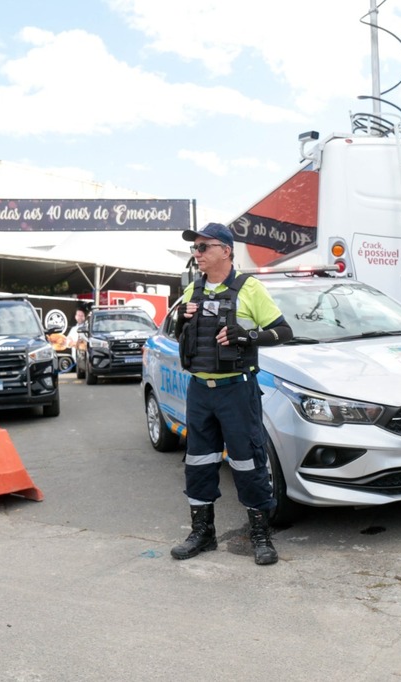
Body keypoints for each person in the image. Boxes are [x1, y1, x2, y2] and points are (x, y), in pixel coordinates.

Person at [170, 222, 293, 566]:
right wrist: (182, 319)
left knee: (248, 460)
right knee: (198, 461)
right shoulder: (192, 290)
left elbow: (284, 331)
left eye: (203, 247)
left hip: (236, 390)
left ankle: (260, 535)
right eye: (194, 248)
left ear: (225, 250)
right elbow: (182, 335)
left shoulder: (250, 289)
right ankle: (202, 533)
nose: (197, 254)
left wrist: (247, 336)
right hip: (199, 391)